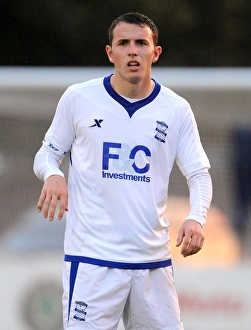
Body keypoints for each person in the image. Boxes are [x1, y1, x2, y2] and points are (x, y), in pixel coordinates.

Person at [34, 12, 212, 330]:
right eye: (124, 43)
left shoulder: (176, 109)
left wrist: (196, 217)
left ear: (155, 52)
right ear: (110, 52)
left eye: (141, 43)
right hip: (92, 263)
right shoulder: (79, 98)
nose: (133, 50)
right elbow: (47, 154)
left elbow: (199, 174)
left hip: (152, 264)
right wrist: (54, 175)